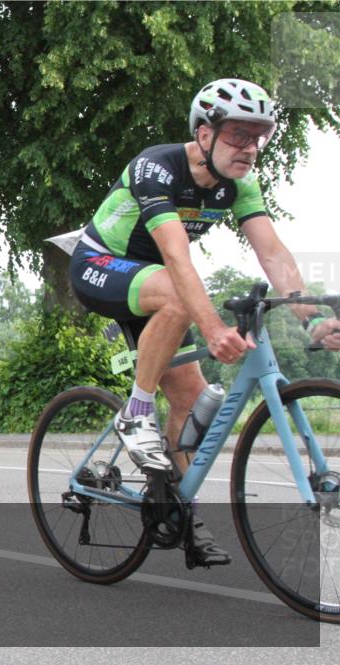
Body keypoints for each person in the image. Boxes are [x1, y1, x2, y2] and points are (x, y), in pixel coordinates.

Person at [69, 78, 340, 566]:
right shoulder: (157, 167)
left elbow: (273, 254)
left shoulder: (239, 183)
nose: (250, 148)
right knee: (178, 293)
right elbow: (176, 257)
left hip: (157, 285)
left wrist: (312, 318)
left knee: (191, 399)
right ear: (204, 133)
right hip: (101, 266)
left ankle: (177, 510)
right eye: (239, 134)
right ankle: (134, 412)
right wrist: (213, 328)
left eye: (260, 137)